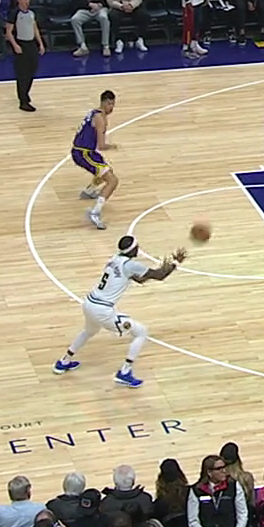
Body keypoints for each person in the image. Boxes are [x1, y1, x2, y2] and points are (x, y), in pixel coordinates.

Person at [53, 235, 185, 388]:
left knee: (88, 331)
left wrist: (157, 269)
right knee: (141, 332)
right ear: (133, 249)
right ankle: (125, 372)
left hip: (89, 303)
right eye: (137, 246)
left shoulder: (115, 259)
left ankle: (64, 361)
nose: (138, 248)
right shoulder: (130, 265)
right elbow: (159, 276)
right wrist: (175, 263)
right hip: (102, 310)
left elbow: (139, 279)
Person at [71, 90, 121, 230]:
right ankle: (95, 212)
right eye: (109, 104)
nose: (111, 107)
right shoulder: (100, 119)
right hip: (83, 153)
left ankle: (89, 191)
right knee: (113, 181)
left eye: (113, 104)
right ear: (103, 103)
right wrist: (113, 146)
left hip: (84, 151)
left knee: (107, 171)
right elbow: (101, 145)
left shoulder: (94, 112)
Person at [6, 0, 44, 112]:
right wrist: (15, 45)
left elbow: (35, 28)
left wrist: (40, 43)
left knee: (32, 69)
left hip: (31, 43)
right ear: (19, 0)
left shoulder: (31, 13)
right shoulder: (14, 13)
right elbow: (8, 32)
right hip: (21, 44)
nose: (27, 1)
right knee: (22, 73)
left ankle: (26, 93)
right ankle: (23, 101)